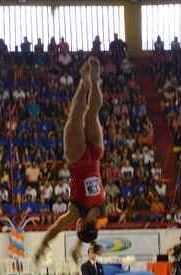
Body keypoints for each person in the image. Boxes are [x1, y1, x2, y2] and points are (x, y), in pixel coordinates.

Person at [34, 56, 106, 264]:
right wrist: (42, 246)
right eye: (77, 229)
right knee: (74, 117)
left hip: (96, 155)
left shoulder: (100, 210)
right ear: (81, 226)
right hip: (79, 161)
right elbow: (55, 228)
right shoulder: (76, 212)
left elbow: (90, 232)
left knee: (92, 115)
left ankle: (95, 80)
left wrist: (78, 246)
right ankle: (84, 83)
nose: (75, 227)